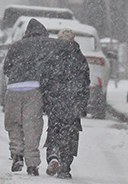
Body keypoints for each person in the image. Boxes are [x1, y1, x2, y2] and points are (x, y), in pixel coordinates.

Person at [2, 18, 57, 176]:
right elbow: (51, 68)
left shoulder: (17, 45)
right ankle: (32, 164)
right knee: (32, 126)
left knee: (13, 124)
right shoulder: (46, 45)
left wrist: (16, 77)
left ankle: (17, 154)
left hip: (13, 89)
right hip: (34, 89)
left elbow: (6, 67)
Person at [41, 29, 90, 179]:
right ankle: (65, 166)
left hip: (55, 101)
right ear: (73, 40)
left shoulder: (51, 55)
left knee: (54, 129)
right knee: (71, 135)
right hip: (73, 102)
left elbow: (45, 78)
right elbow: (85, 82)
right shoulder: (79, 57)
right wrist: (82, 104)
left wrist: (45, 99)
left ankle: (53, 155)